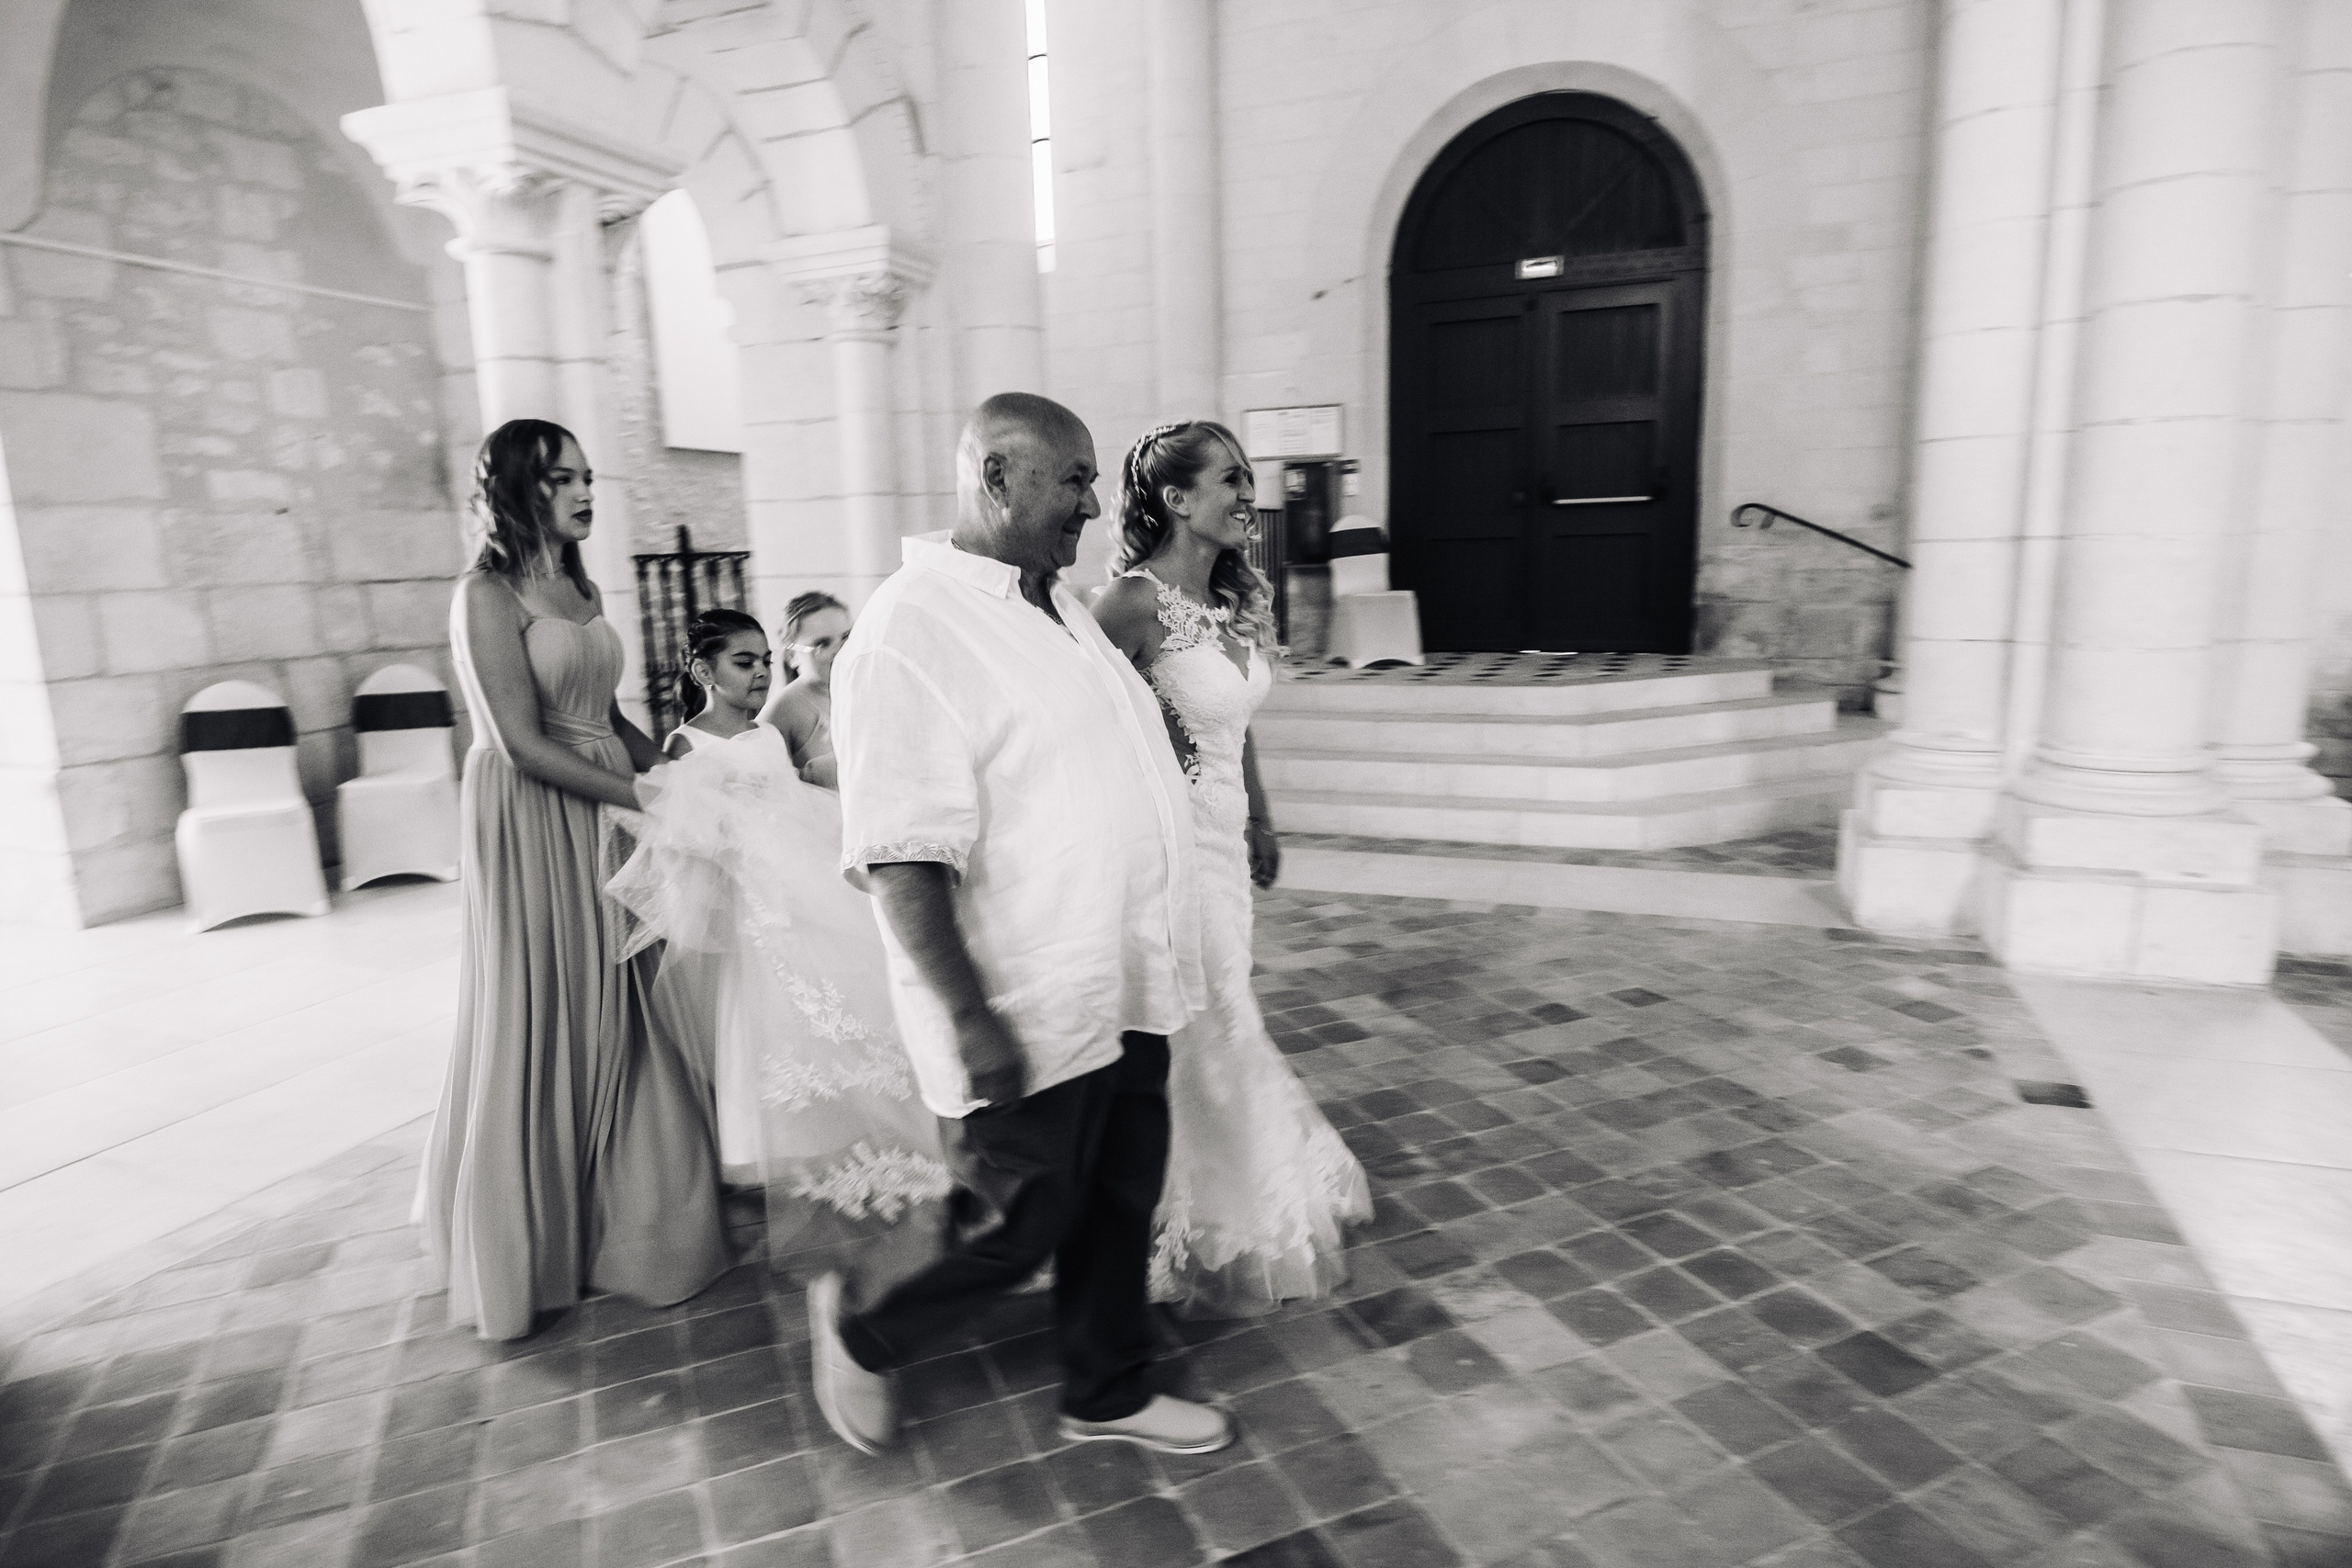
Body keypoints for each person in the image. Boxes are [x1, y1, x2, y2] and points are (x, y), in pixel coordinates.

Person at [807, 392, 1232, 1460]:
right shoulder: (910, 629)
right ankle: (862, 1328)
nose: (1093, 504)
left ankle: (1106, 1389)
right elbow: (900, 853)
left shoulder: (1054, 605)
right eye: (1074, 479)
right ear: (996, 477)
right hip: (1025, 990)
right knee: (1018, 1217)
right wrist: (970, 1017)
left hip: (1120, 971)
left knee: (1118, 1192)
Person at [423, 419, 729, 1342]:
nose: (585, 491)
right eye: (562, 479)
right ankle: (537, 1233)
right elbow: (520, 742)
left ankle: (634, 1219)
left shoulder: (581, 583)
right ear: (517, 489)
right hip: (534, 813)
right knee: (551, 996)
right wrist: (645, 796)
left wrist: (683, 775)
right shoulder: (484, 594)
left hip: (603, 796)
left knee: (629, 986)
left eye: (587, 475)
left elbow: (605, 715)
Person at [1094, 420, 1372, 1315]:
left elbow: (1235, 726)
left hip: (1225, 831)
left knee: (1216, 1008)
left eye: (1247, 479)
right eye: (1232, 480)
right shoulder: (1130, 603)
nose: (1249, 496)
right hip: (1168, 845)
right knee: (1212, 1009)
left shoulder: (1227, 599)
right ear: (1176, 499)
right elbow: (1082, 728)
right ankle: (1194, 1215)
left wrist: (1262, 816)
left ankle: (1205, 1193)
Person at [607, 607, 950, 1213]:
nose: (761, 673)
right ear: (703, 671)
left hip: (805, 883)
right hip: (751, 904)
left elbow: (792, 800)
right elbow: (682, 832)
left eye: (765, 661)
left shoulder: (766, 735)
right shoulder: (686, 744)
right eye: (744, 662)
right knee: (771, 1021)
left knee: (848, 998)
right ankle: (792, 1145)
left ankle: (864, 1123)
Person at [762, 592, 851, 788]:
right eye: (822, 644)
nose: (841, 650)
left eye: (847, 637)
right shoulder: (784, 709)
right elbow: (761, 789)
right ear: (792, 656)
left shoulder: (863, 693)